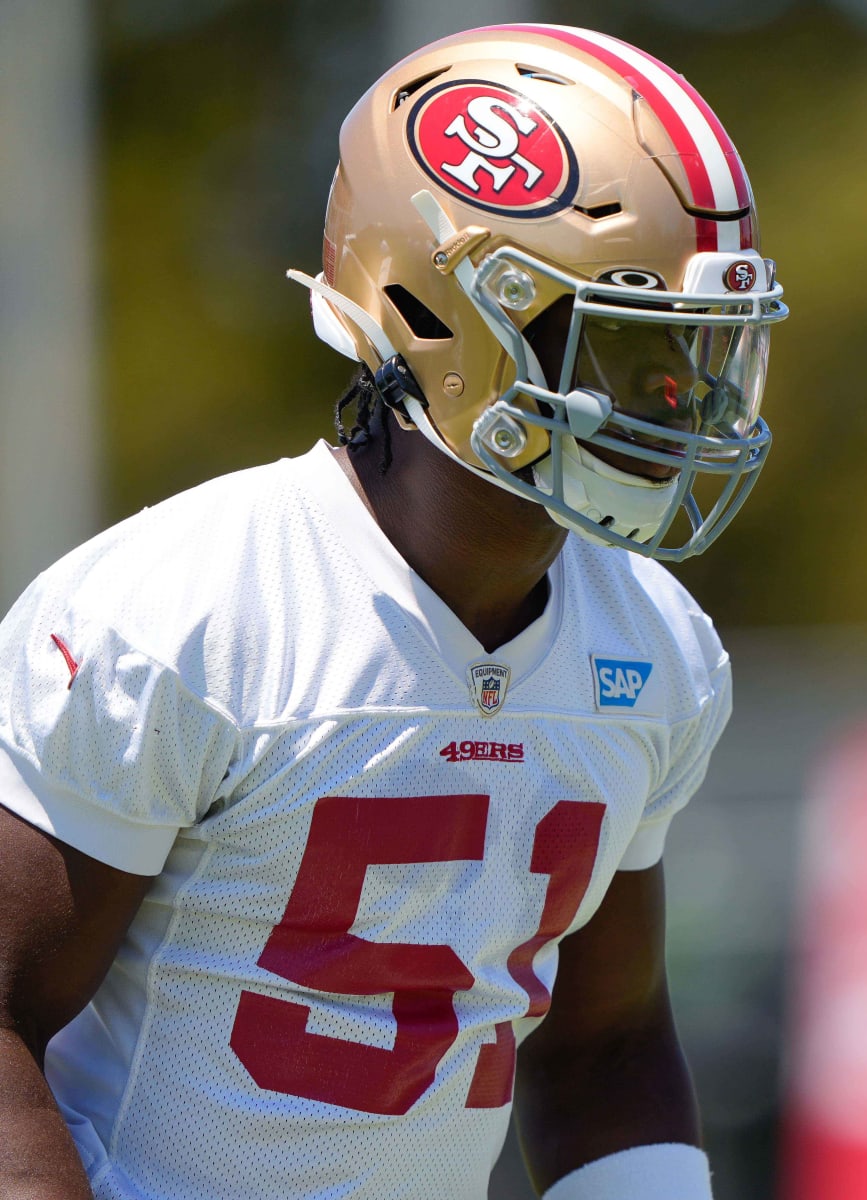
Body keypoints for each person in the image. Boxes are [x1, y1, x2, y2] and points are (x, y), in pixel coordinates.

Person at [0, 22, 787, 1200]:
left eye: (702, 359)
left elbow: (605, 1044)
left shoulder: (654, 650)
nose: (683, 407)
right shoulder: (184, 613)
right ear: (449, 319)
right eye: (630, 349)